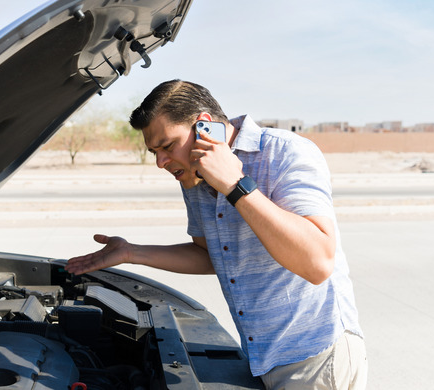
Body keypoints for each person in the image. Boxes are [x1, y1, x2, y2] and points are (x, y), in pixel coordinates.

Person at [66, 79, 367, 389]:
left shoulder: (285, 152)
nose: (160, 162)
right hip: (263, 358)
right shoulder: (194, 178)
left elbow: (317, 263)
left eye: (167, 146)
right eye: (154, 152)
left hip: (314, 359)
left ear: (204, 127)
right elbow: (211, 255)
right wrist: (132, 252)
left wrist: (235, 184)